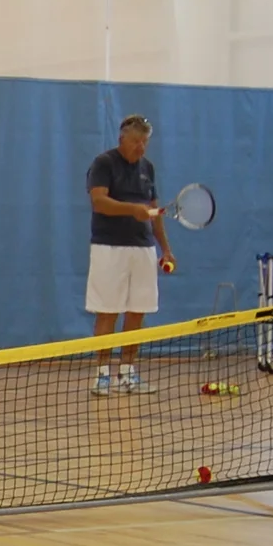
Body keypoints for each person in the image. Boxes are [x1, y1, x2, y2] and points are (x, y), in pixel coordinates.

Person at [86, 115, 176, 394]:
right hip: (108, 248)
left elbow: (154, 213)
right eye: (137, 141)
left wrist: (166, 250)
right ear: (122, 139)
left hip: (143, 249)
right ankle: (102, 375)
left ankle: (127, 374)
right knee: (107, 312)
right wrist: (131, 209)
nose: (141, 148)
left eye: (145, 142)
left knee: (137, 312)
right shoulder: (103, 163)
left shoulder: (147, 168)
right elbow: (99, 202)